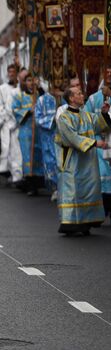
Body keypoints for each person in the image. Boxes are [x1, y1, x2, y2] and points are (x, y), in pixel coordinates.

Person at [55, 86, 111, 235]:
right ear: (71, 98)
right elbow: (72, 138)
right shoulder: (64, 117)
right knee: (73, 191)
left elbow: (98, 124)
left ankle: (86, 222)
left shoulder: (86, 114)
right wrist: (94, 143)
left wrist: (104, 113)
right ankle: (71, 224)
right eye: (79, 94)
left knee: (89, 190)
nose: (82, 95)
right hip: (73, 162)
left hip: (88, 162)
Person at [85, 67, 111, 217]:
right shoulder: (94, 99)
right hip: (100, 142)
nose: (109, 76)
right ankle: (102, 206)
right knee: (101, 174)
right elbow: (87, 120)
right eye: (106, 73)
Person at [12, 72, 44, 195]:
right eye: (29, 80)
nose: (31, 83)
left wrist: (40, 88)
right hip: (26, 131)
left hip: (39, 131)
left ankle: (39, 182)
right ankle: (30, 184)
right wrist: (28, 111)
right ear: (25, 82)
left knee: (39, 155)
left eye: (33, 80)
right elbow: (15, 110)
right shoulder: (19, 96)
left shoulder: (40, 96)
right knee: (28, 157)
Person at [35, 82, 65, 198]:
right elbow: (38, 119)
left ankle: (64, 187)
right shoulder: (42, 100)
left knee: (62, 161)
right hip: (47, 137)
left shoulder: (63, 98)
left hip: (61, 136)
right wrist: (52, 119)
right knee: (50, 161)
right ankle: (55, 187)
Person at [0, 65, 19, 178]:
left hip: (19, 122)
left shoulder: (22, 89)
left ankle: (17, 172)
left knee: (17, 150)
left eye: (14, 72)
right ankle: (7, 170)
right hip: (6, 123)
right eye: (10, 72)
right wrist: (5, 117)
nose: (12, 74)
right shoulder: (2, 89)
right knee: (6, 147)